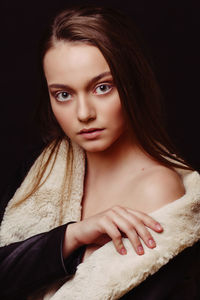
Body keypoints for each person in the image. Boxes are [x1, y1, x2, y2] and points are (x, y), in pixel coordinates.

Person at [0, 5, 200, 300]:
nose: (83, 113)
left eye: (102, 87)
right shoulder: (44, 168)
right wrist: (72, 236)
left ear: (132, 84)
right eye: (63, 95)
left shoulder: (158, 190)